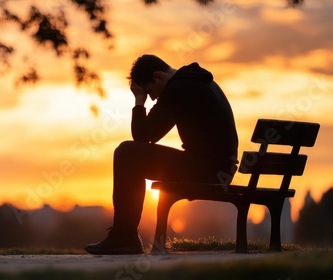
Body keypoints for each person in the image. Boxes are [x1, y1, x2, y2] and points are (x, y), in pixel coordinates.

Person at [84, 54, 239, 255]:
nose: (153, 98)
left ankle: (124, 237)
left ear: (158, 77)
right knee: (129, 153)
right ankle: (124, 236)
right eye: (146, 95)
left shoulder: (179, 89)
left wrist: (139, 101)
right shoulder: (194, 81)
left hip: (208, 170)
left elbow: (143, 135)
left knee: (127, 153)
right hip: (217, 168)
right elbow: (149, 135)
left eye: (149, 91)